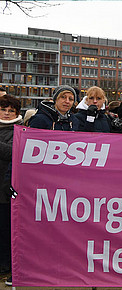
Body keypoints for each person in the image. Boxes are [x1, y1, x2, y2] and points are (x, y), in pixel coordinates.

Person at [0, 95, 22, 287]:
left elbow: (13, 152)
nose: (6, 114)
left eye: (10, 111)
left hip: (5, 189)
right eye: (3, 110)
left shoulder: (18, 131)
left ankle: (5, 264)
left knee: (5, 229)